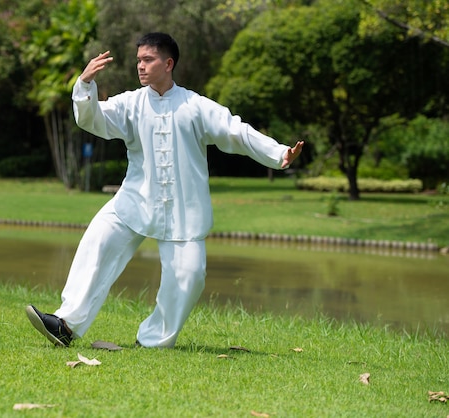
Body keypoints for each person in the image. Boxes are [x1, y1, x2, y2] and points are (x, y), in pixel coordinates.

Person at [26, 32, 304, 348]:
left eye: (148, 60)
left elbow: (235, 131)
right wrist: (85, 85)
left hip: (184, 211)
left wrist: (279, 152)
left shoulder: (195, 106)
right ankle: (65, 324)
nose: (140, 67)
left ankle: (154, 341)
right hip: (133, 202)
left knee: (190, 276)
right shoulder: (129, 103)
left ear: (168, 63)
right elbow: (94, 120)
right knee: (97, 244)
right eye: (138, 61)